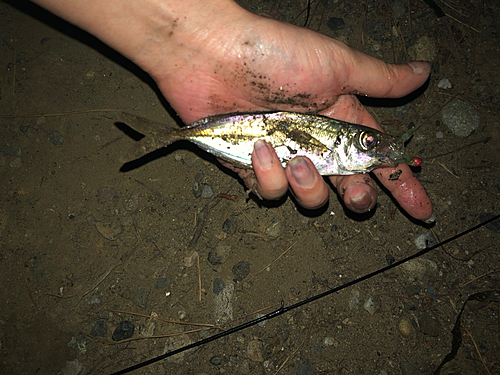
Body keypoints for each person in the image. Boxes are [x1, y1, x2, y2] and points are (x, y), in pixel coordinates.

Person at [31, 0, 434, 222]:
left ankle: (175, 135)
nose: (371, 145)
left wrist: (181, 38)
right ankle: (173, 135)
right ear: (345, 140)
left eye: (370, 144)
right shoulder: (335, 134)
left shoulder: (344, 143)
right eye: (366, 141)